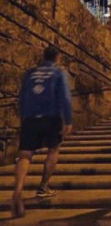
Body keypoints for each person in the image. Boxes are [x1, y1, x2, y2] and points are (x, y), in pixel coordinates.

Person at [11, 46, 72, 218]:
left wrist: (23, 117)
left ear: (43, 57)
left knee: (24, 155)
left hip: (30, 117)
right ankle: (43, 186)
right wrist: (67, 120)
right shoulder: (58, 73)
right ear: (57, 58)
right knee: (53, 151)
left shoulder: (30, 73)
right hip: (51, 117)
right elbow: (65, 98)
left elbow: (22, 96)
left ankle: (18, 190)